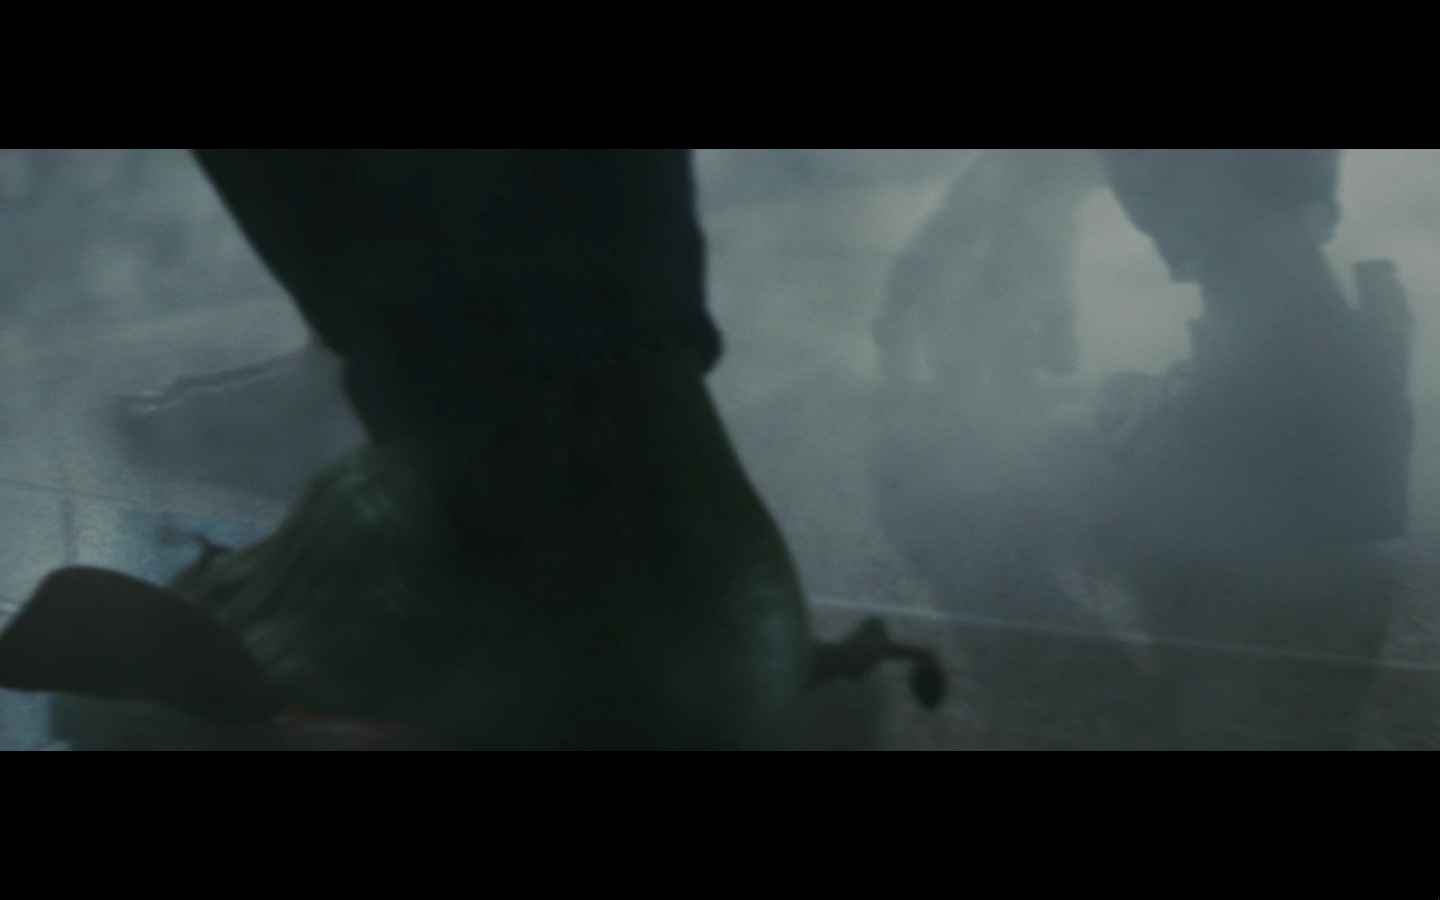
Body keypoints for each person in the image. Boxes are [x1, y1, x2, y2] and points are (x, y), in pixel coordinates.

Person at [873, 148, 1106, 392]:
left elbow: (1052, 260)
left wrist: (1058, 330)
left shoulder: (1045, 210)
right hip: (965, 315)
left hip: (994, 315)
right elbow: (925, 254)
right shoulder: (995, 191)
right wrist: (896, 321)